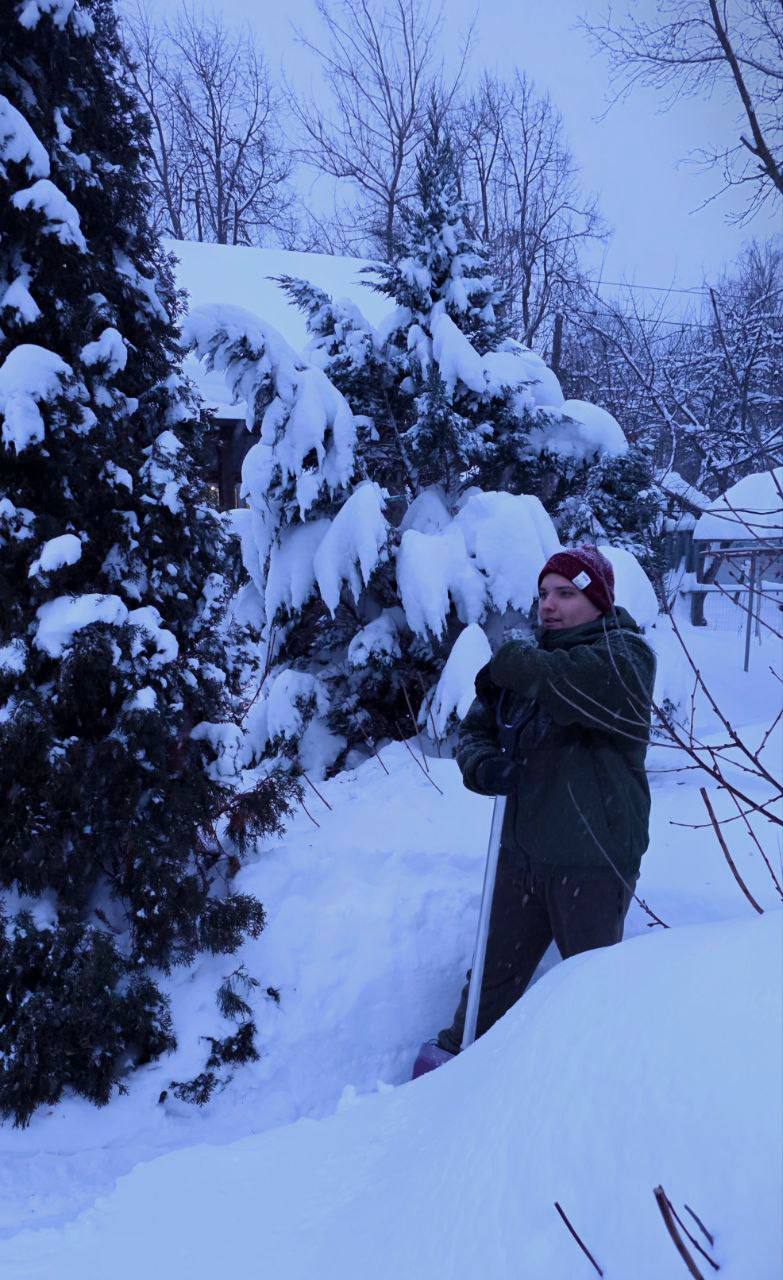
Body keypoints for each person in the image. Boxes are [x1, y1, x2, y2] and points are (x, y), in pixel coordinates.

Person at [412, 545, 656, 1078]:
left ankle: (587, 1090)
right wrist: (482, 767)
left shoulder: (627, 657)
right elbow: (475, 732)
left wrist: (511, 664)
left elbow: (569, 683)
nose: (549, 604)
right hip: (521, 855)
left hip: (592, 861)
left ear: (598, 599)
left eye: (566, 593)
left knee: (592, 988)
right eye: (544, 592)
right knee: (490, 982)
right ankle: (449, 1077)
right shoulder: (526, 665)